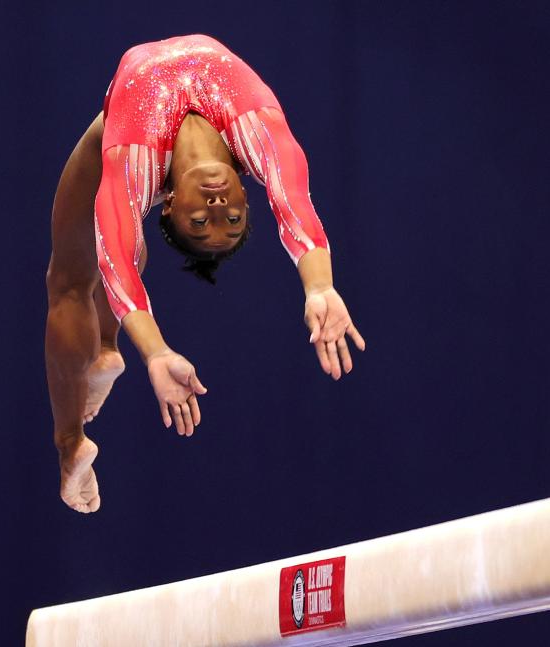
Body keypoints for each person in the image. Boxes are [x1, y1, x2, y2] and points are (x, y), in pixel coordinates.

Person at [45, 35, 365, 513]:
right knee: (110, 245)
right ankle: (106, 352)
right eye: (232, 218)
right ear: (244, 188)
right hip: (147, 138)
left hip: (125, 131)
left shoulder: (135, 157)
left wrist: (156, 355)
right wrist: (318, 285)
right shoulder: (257, 132)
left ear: (167, 203)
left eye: (201, 222)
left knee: (69, 280)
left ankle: (70, 444)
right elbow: (295, 205)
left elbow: (118, 265)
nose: (218, 207)